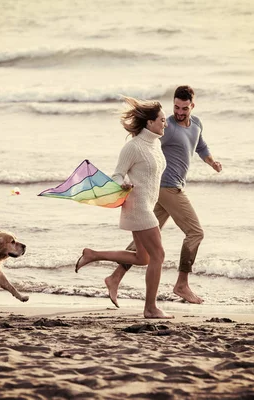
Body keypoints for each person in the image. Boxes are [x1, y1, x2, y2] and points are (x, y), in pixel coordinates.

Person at [104, 85, 222, 308]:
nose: (178, 112)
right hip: (167, 188)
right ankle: (182, 284)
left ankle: (115, 278)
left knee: (145, 242)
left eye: (184, 108)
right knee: (195, 233)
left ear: (192, 106)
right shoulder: (165, 127)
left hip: (160, 191)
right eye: (176, 107)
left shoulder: (196, 124)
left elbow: (201, 146)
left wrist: (212, 162)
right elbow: (145, 140)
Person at [75, 96, 173, 319]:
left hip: (147, 203)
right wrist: (123, 184)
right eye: (162, 120)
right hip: (138, 207)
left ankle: (93, 254)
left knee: (143, 258)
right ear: (150, 123)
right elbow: (118, 174)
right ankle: (150, 308)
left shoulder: (155, 143)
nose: (165, 123)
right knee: (158, 255)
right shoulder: (133, 147)